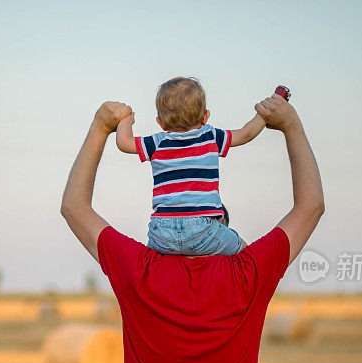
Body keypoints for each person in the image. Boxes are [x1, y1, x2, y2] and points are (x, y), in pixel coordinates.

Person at [60, 93, 323, 363]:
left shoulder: (136, 270)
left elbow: (74, 208)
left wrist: (100, 128)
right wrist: (291, 125)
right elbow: (310, 206)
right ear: (220, 223)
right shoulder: (248, 273)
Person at [115, 76, 271, 256]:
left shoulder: (156, 143)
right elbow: (245, 134)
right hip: (202, 230)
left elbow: (124, 142)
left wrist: (125, 119)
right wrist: (264, 115)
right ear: (206, 116)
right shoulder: (210, 136)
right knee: (244, 252)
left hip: (161, 233)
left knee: (151, 262)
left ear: (160, 122)